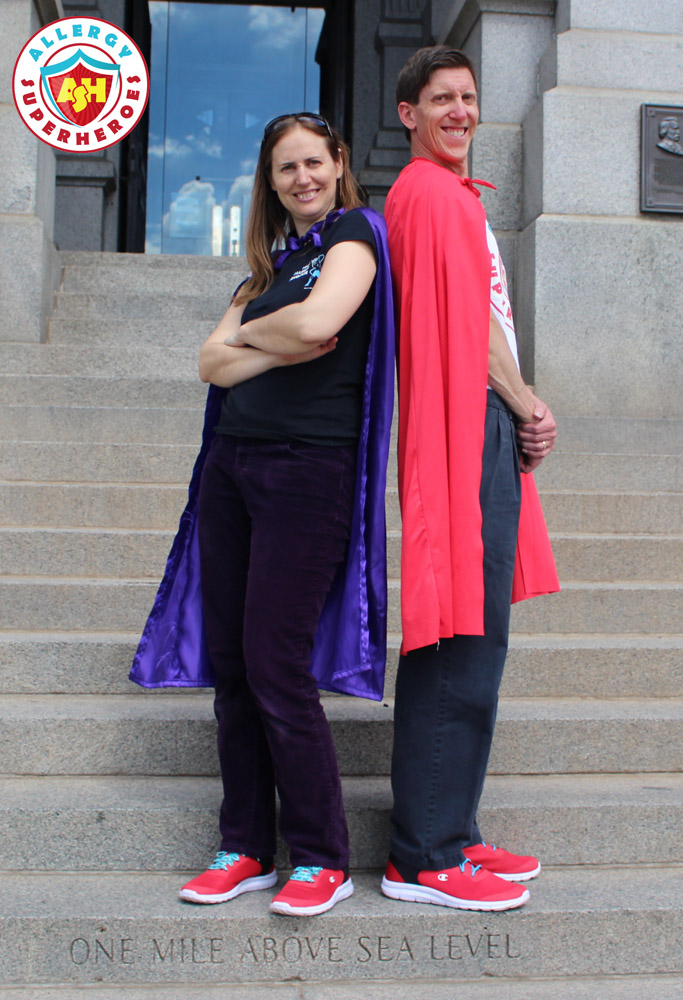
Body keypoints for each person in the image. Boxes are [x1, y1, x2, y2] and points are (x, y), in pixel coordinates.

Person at [129, 112, 395, 917]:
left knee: (275, 661)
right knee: (234, 666)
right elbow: (210, 365)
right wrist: (260, 332)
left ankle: (319, 857)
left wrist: (252, 340)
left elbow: (320, 323)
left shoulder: (357, 233)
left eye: (313, 162)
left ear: (339, 163)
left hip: (307, 472)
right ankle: (244, 846)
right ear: (270, 182)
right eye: (286, 169)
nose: (302, 179)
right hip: (231, 473)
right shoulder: (267, 267)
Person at [381, 46, 560, 912]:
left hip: (476, 422)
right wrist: (525, 403)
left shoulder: (449, 198)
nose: (459, 110)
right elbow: (467, 330)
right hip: (463, 428)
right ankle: (424, 853)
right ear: (408, 114)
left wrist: (515, 408)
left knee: (475, 634)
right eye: (440, 99)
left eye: (468, 97)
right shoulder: (424, 193)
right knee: (457, 635)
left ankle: (450, 827)